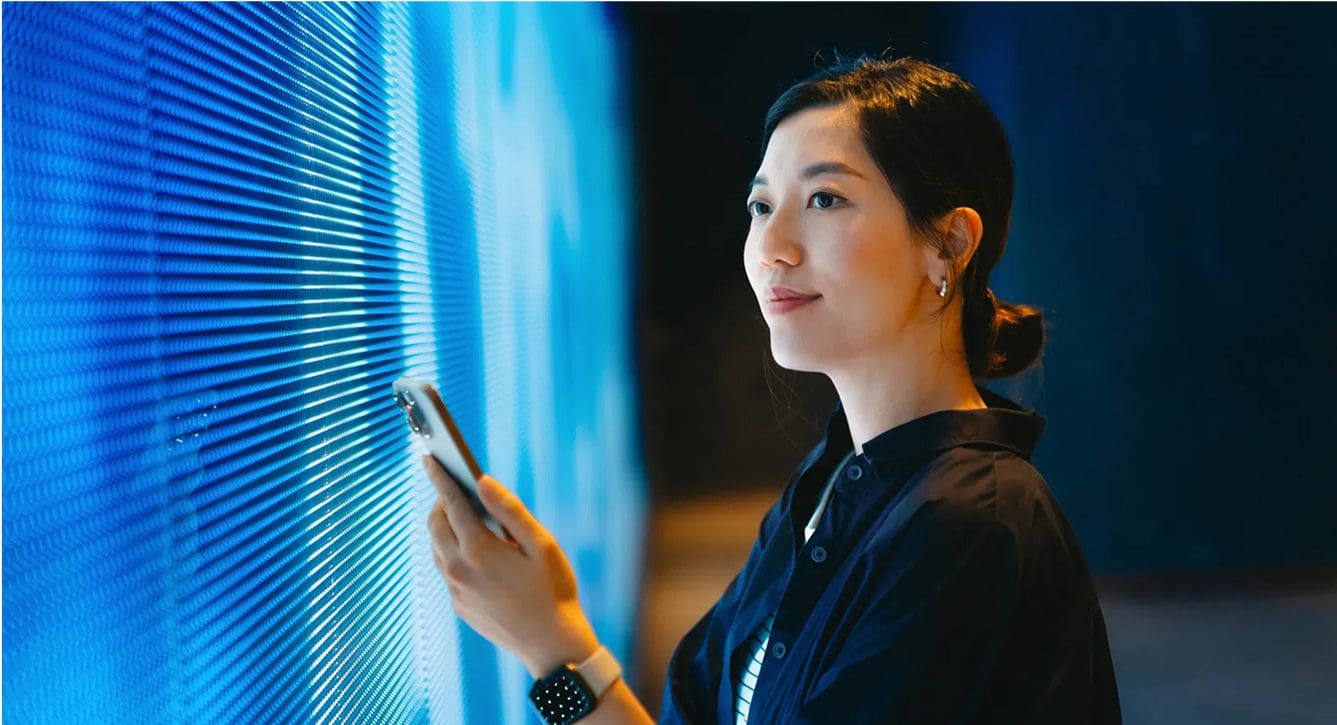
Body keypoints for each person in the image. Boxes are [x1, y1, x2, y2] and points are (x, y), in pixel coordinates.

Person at [424, 55, 1122, 724]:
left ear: (948, 244)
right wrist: (552, 642)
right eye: (761, 206)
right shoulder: (833, 482)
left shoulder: (967, 527)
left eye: (825, 198)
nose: (771, 247)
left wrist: (550, 647)